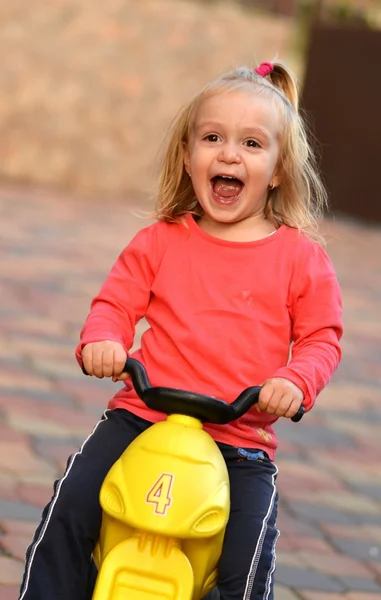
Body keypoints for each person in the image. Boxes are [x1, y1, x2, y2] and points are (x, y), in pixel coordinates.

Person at [18, 60, 343, 600]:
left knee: (248, 551)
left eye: (252, 144)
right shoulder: (160, 241)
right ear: (188, 155)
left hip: (241, 438)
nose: (229, 154)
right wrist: (104, 340)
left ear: (280, 168)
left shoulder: (301, 259)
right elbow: (114, 304)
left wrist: (296, 380)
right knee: (73, 504)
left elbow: (320, 337)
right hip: (142, 416)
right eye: (212, 138)